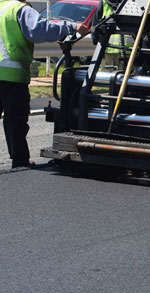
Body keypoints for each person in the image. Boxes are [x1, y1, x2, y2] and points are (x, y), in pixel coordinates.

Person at [0, 0, 89, 168]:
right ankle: (19, 160)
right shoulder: (18, 9)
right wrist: (71, 27)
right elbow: (38, 30)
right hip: (11, 74)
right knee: (15, 120)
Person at [91, 0, 134, 69]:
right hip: (129, 49)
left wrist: (98, 45)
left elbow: (94, 26)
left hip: (109, 49)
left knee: (109, 76)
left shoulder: (103, 3)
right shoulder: (131, 3)